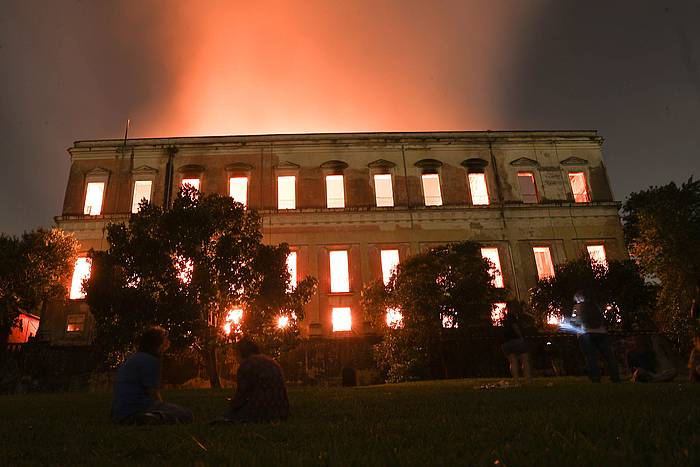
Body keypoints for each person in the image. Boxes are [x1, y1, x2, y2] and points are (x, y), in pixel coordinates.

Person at [111, 326, 193, 424]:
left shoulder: (133, 358)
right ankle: (151, 417)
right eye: (165, 341)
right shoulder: (151, 361)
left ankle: (144, 417)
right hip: (139, 408)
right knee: (186, 414)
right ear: (158, 344)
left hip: (120, 412)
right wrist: (162, 407)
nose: (168, 344)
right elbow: (153, 393)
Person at [214, 338, 289, 423]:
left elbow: (242, 395)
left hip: (260, 411)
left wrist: (230, 408)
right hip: (281, 410)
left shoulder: (246, 365)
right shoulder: (271, 362)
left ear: (241, 352)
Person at [572, 290, 620, 383]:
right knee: (609, 356)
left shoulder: (577, 307)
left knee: (591, 357)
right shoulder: (596, 306)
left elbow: (575, 320)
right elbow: (603, 318)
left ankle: (595, 378)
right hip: (601, 333)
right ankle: (615, 377)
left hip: (585, 334)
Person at [500, 302, 532, 384]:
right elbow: (515, 327)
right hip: (515, 340)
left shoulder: (504, 318)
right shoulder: (512, 318)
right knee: (524, 358)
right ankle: (527, 379)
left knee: (513, 361)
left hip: (505, 343)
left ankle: (516, 381)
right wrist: (521, 336)